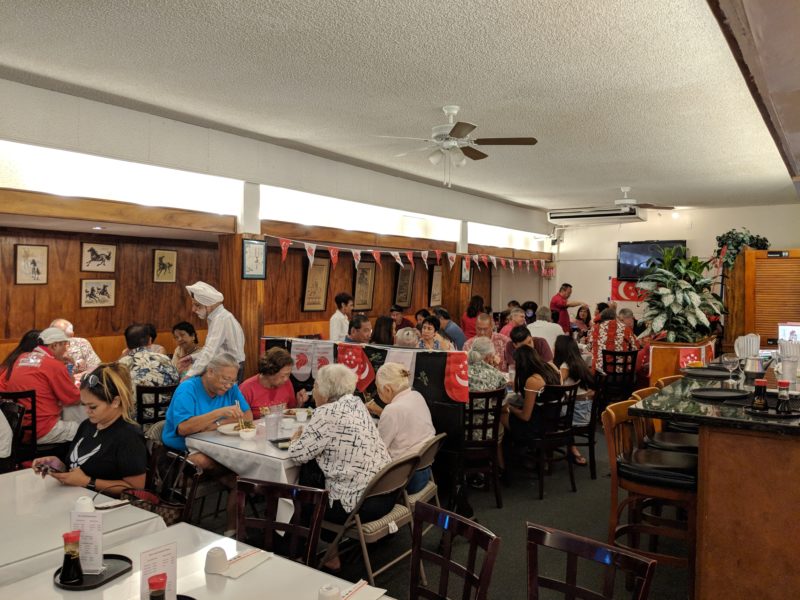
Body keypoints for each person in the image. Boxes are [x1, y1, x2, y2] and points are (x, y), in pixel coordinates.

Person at [288, 364, 392, 571]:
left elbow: (297, 454)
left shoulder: (326, 413)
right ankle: (325, 551)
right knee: (315, 472)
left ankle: (303, 552)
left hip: (359, 507)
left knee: (307, 481)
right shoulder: (356, 403)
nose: (313, 390)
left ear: (325, 391)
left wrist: (295, 439)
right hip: (386, 493)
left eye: (315, 385)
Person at [162, 353, 251, 534]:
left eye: (232, 381)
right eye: (225, 379)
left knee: (243, 476)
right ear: (210, 371)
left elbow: (248, 417)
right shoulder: (188, 389)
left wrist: (215, 425)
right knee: (205, 461)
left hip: (218, 450)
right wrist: (219, 412)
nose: (228, 385)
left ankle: (232, 531)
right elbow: (184, 428)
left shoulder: (231, 388)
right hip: (180, 455)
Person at [31, 363, 147, 496]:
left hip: (107, 506)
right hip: (80, 499)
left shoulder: (129, 436)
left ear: (115, 401)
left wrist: (88, 482)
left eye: (93, 407)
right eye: (84, 405)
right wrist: (59, 466)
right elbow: (79, 467)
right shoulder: (88, 425)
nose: (87, 411)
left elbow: (135, 489)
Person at [3, 327, 81, 443]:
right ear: (55, 345)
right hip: (42, 429)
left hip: (18, 427)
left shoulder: (21, 358)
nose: (66, 350)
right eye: (65, 345)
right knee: (86, 429)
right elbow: (73, 398)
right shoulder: (54, 366)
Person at [374, 362, 435, 493]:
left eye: (378, 389)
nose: (378, 393)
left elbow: (378, 449)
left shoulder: (392, 410)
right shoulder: (417, 395)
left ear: (388, 389)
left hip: (406, 479)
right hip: (426, 470)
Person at [184, 282, 246, 381]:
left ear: (209, 305)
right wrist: (192, 357)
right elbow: (217, 350)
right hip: (228, 366)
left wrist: (190, 375)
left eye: (197, 305)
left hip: (230, 369)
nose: (193, 309)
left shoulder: (221, 319)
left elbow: (210, 350)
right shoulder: (219, 317)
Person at [501, 344, 562, 443]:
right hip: (554, 420)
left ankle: (511, 452)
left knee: (501, 414)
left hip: (538, 426)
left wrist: (509, 407)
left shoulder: (533, 380)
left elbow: (525, 416)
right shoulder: (550, 368)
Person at [118, 323, 180, 418]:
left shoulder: (123, 363)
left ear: (127, 344)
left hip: (135, 419)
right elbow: (176, 381)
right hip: (167, 416)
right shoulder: (165, 359)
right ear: (150, 341)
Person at [553, 335, 595, 465]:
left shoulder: (565, 366)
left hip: (576, 414)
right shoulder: (580, 363)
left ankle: (545, 449)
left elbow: (557, 386)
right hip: (586, 411)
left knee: (546, 413)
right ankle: (572, 449)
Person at [239, 347, 308, 418]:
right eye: (283, 376)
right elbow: (239, 421)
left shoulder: (287, 383)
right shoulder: (246, 389)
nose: (286, 379)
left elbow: (290, 413)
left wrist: (299, 404)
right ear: (270, 372)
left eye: (288, 375)